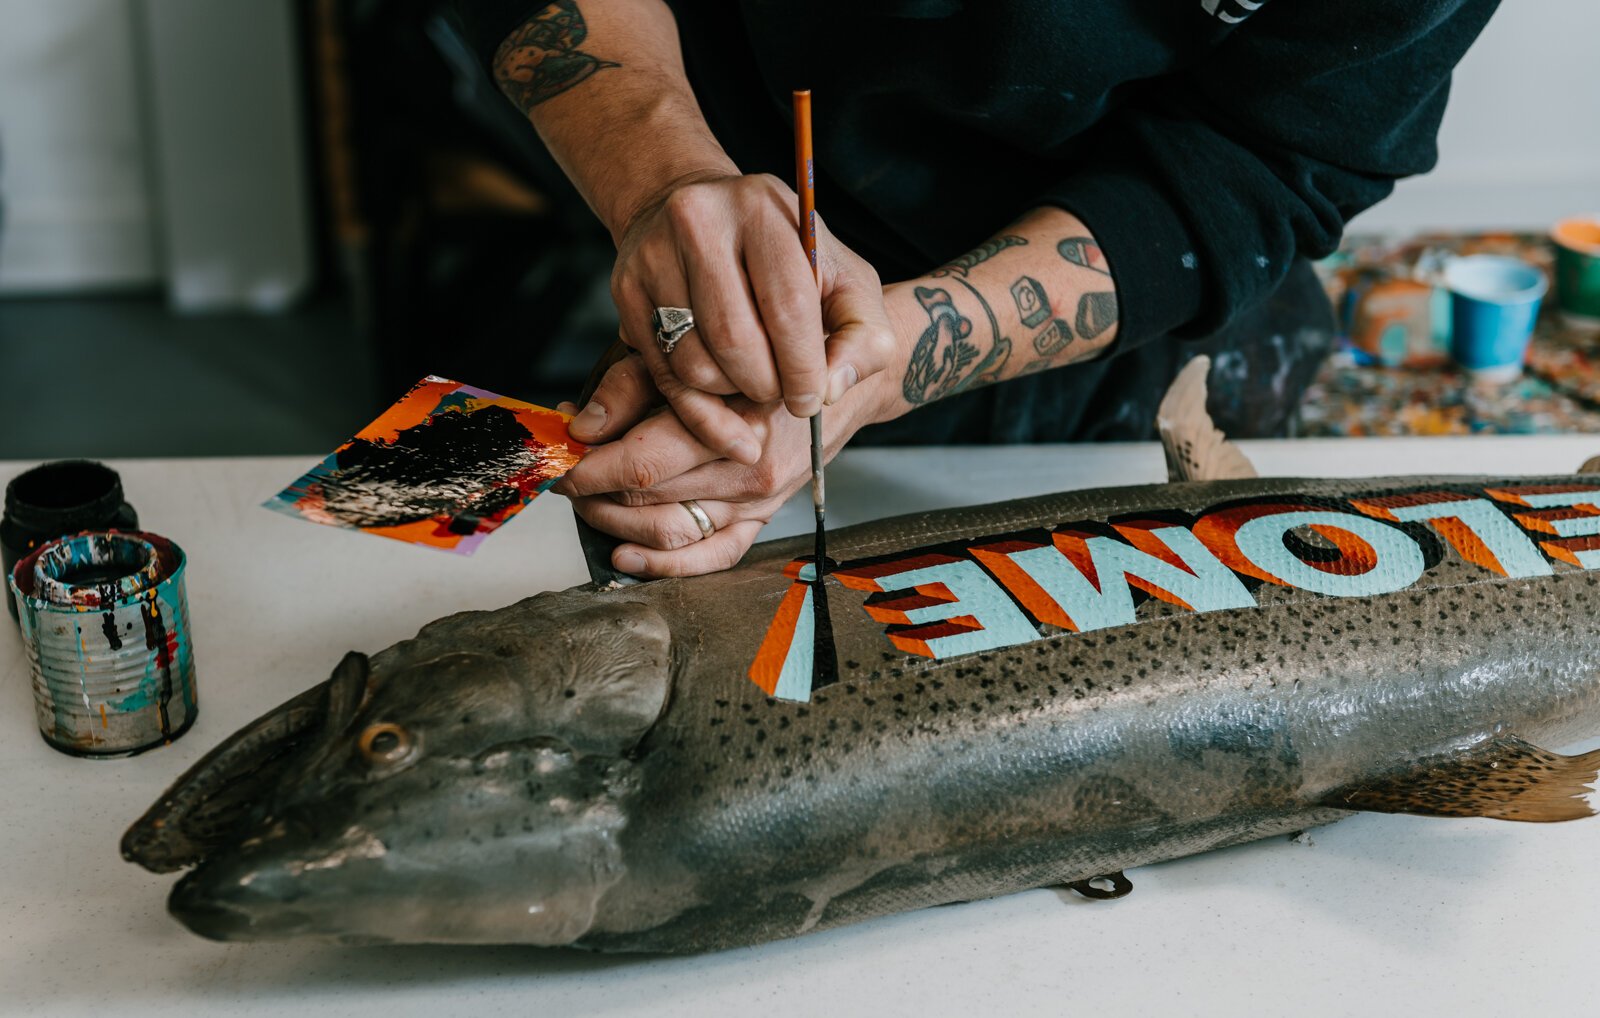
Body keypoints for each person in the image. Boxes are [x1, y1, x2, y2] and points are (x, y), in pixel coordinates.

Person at [456, 0, 1499, 578]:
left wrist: (883, 361)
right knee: (616, 506)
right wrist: (657, 175)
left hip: (1135, 240)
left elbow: (1270, 157)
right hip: (715, 140)